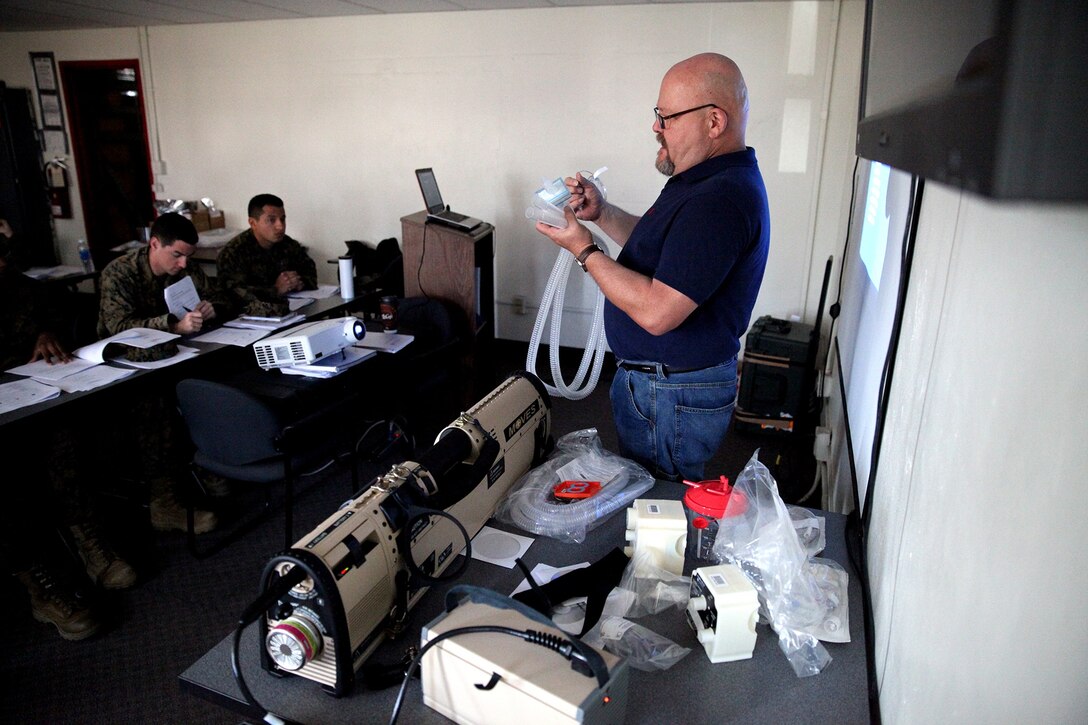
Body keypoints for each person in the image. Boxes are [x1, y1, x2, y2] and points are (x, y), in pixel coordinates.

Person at [536, 53, 769, 482]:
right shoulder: (706, 180)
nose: (656, 128)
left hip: (669, 392)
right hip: (666, 386)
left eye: (668, 117)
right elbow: (669, 251)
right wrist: (602, 213)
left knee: (657, 505)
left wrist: (585, 251)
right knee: (651, 500)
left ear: (714, 122)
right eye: (657, 115)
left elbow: (657, 313)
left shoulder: (719, 199)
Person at [2, 247, 136, 640]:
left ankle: (88, 540)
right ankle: (38, 584)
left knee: (67, 440)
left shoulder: (22, 288)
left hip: (32, 394)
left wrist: (47, 334)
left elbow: (59, 317)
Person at [98, 212, 226, 534]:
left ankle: (211, 461)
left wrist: (211, 308)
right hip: (126, 364)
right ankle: (164, 501)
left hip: (173, 358)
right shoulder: (119, 273)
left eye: (188, 256)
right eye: (177, 255)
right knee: (153, 403)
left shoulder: (186, 268)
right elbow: (119, 328)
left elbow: (215, 294)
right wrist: (172, 325)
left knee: (215, 378)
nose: (184, 264)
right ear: (154, 244)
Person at [217, 193, 317, 315]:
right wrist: (275, 289)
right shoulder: (233, 253)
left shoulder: (287, 244)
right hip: (250, 320)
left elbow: (311, 273)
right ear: (253, 223)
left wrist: (297, 282)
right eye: (271, 220)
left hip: (289, 311)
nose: (280, 226)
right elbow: (233, 296)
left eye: (283, 219)